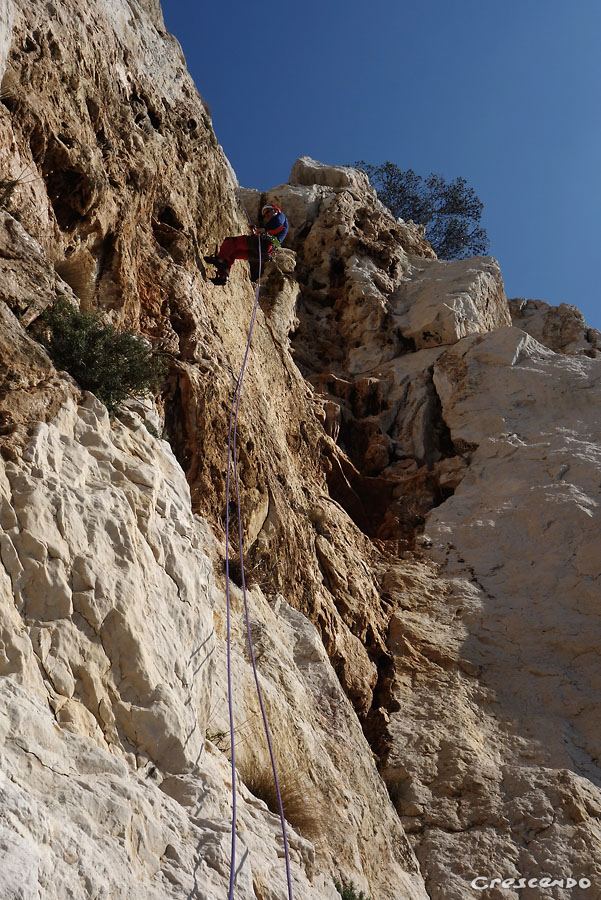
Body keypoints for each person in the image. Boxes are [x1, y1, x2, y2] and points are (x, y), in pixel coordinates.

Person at [204, 204, 289, 285]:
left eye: (267, 212)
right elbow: (270, 234)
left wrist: (263, 229)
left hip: (262, 245)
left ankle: (220, 260)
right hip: (265, 253)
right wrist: (255, 231)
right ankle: (223, 277)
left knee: (230, 242)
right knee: (233, 254)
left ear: (274, 210)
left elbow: (278, 224)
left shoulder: (280, 216)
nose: (266, 215)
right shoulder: (273, 226)